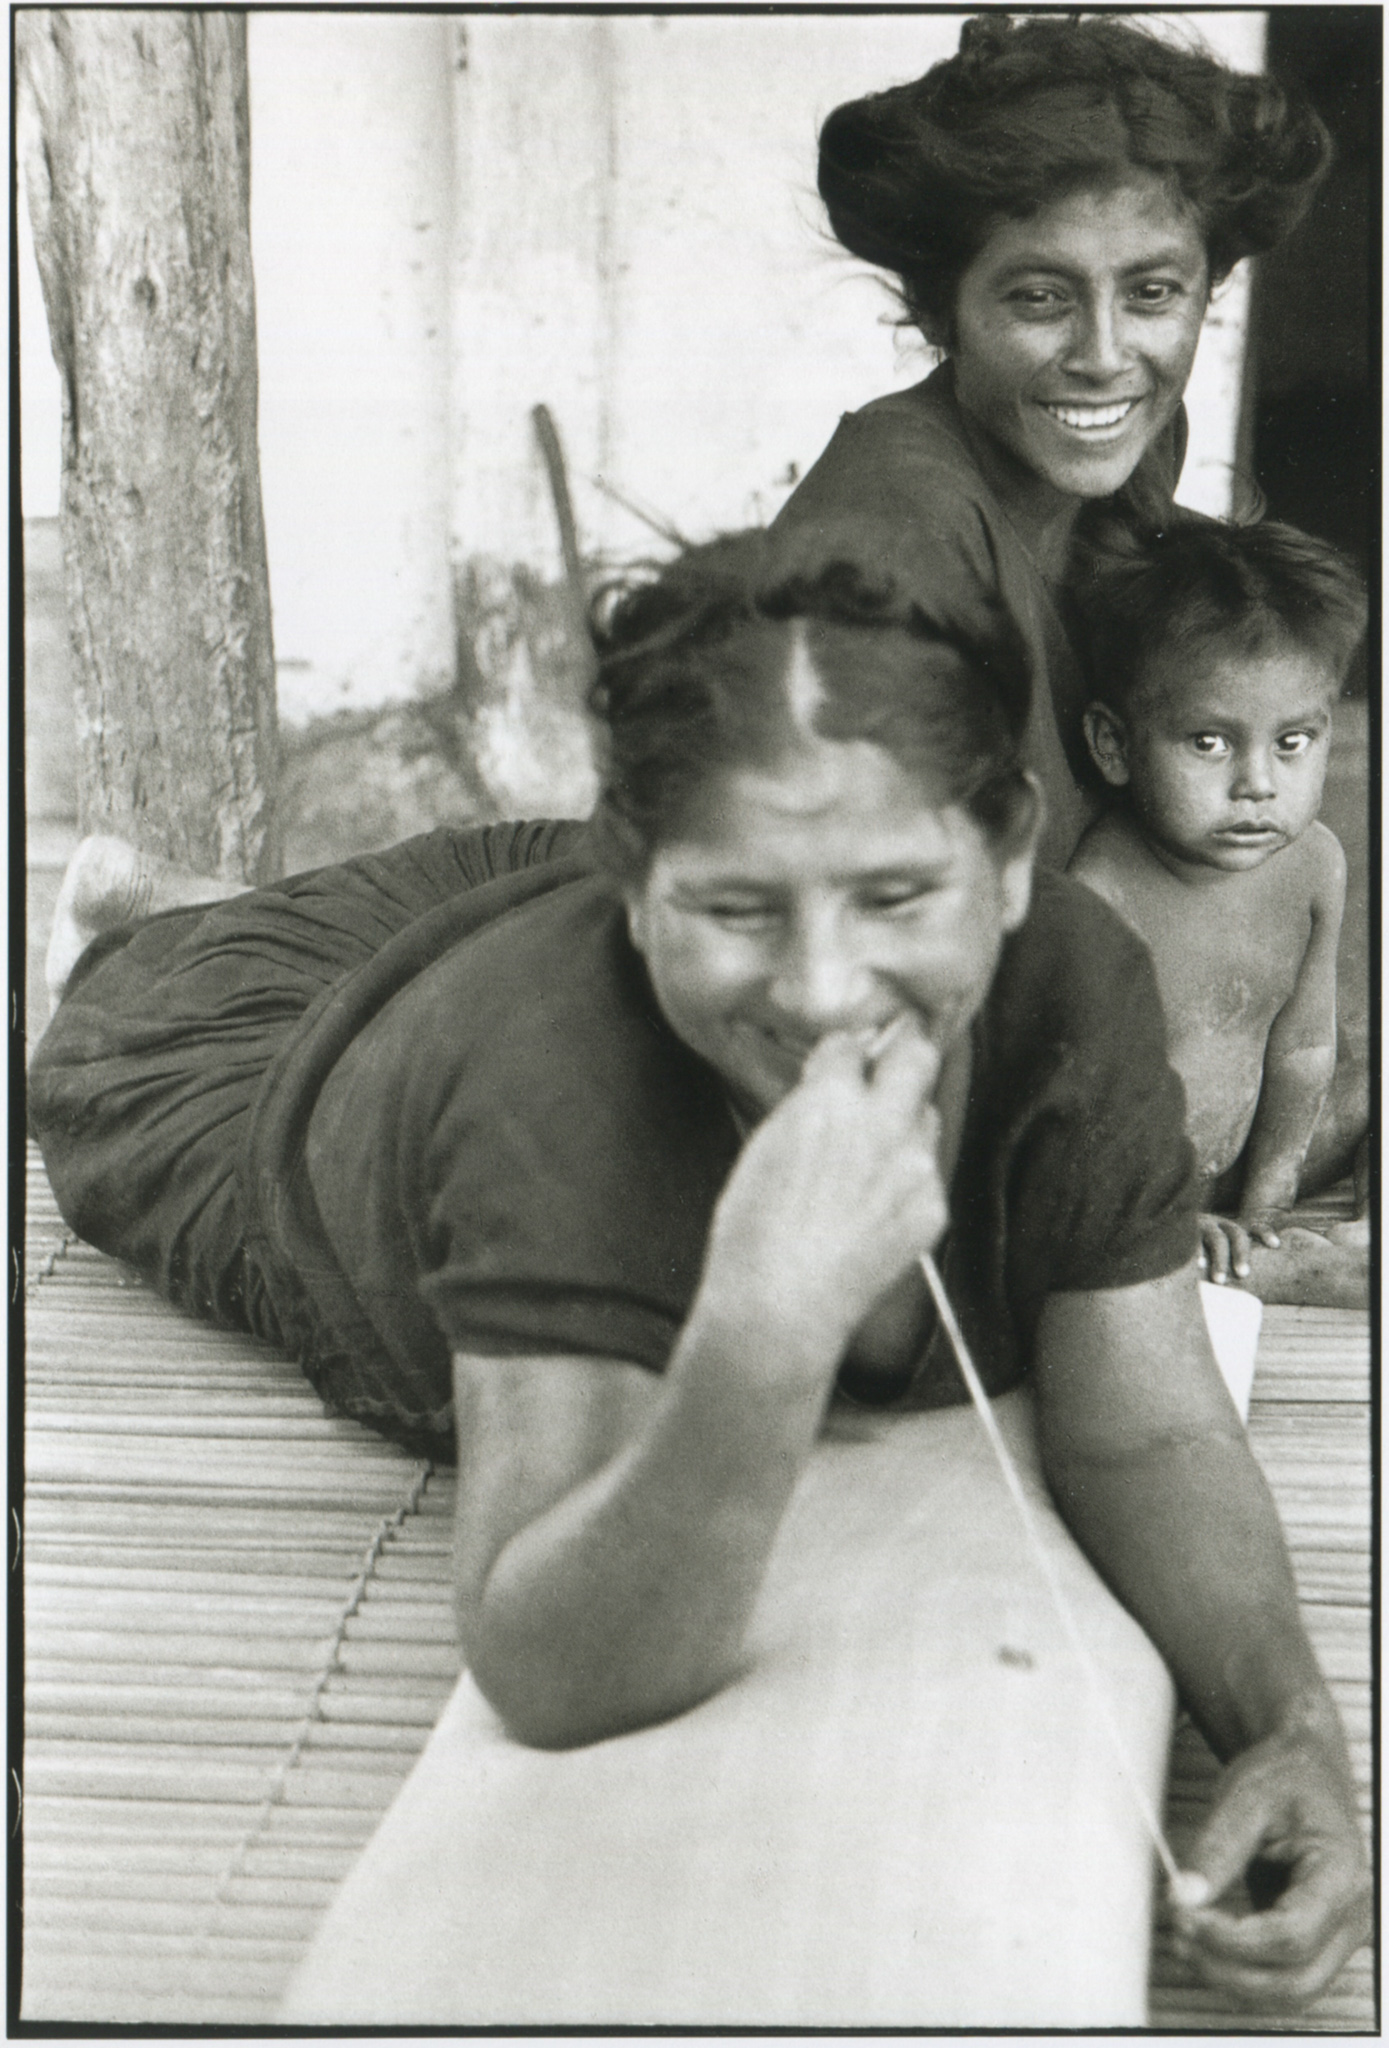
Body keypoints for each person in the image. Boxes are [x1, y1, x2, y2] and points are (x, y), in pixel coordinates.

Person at [29, 529, 1369, 2013]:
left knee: (577, 879)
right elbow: (554, 1664)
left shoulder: (1068, 970)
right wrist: (763, 1332)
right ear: (640, 883)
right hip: (255, 1076)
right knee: (148, 997)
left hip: (530, 899)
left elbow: (1150, 1429)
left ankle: (249, 899)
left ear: (1006, 863)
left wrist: (1291, 1728)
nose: (826, 991)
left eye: (894, 897)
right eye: (740, 909)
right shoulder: (551, 1080)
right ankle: (159, 926)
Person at [773, 11, 1331, 870]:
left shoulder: (1131, 451)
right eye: (1039, 298)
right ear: (938, 309)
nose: (1103, 359)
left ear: (1207, 288)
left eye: (1151, 293)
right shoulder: (889, 534)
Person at [1066, 516, 1368, 1307]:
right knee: (1088, 1236)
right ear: (1113, 745)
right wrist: (1168, 1215)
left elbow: (1302, 1048)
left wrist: (1268, 1199)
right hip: (1130, 1196)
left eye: (1291, 742)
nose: (1256, 785)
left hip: (1245, 1159)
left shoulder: (1313, 862)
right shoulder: (1102, 890)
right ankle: (1287, 1269)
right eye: (1208, 742)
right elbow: (1085, 1107)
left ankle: (1331, 1233)